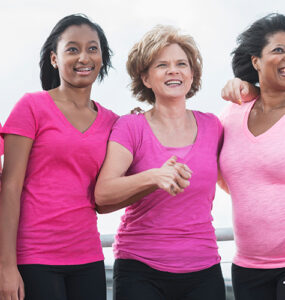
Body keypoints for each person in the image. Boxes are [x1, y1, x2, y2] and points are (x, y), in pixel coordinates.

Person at [95, 25, 226, 300]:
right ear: (145, 78)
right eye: (161, 65)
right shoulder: (130, 127)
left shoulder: (214, 126)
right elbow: (102, 194)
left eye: (181, 64)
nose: (173, 70)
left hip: (204, 269)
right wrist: (154, 177)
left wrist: (247, 86)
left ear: (192, 74)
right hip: (140, 269)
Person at [0, 14, 117, 300]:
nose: (84, 57)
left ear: (103, 57)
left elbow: (106, 195)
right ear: (54, 59)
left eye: (92, 48)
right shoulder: (31, 107)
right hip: (34, 257)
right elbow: (9, 187)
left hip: (89, 258)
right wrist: (6, 266)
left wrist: (142, 122)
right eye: (72, 49)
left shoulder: (113, 122)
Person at [219, 13, 285, 300]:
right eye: (278, 50)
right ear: (256, 61)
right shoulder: (232, 113)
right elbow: (226, 176)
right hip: (247, 267)